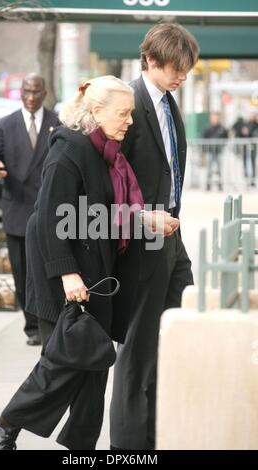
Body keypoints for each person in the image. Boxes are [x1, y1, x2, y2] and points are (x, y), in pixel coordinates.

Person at [0, 75, 178, 450]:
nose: (130, 121)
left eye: (131, 114)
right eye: (123, 114)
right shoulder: (69, 151)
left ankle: (81, 449)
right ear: (96, 111)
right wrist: (68, 274)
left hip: (96, 272)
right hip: (66, 274)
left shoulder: (106, 152)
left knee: (94, 367)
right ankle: (4, 424)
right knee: (65, 364)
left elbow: (99, 213)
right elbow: (51, 220)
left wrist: (146, 219)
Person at [109, 23, 199, 450]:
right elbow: (108, 184)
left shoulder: (168, 102)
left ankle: (156, 434)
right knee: (137, 350)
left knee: (179, 331)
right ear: (151, 60)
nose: (183, 76)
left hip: (171, 238)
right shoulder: (127, 103)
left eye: (187, 69)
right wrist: (144, 218)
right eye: (176, 68)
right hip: (142, 238)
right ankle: (129, 448)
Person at [0, 73, 60, 346]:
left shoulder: (57, 123)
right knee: (22, 272)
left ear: (44, 92)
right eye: (26, 91)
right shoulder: (6, 124)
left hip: (47, 211)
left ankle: (46, 322)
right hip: (17, 210)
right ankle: (31, 326)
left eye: (36, 92)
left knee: (46, 270)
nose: (30, 97)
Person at [202, 112, 228, 191]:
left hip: (218, 152)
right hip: (210, 152)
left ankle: (220, 185)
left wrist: (222, 146)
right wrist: (204, 152)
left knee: (219, 169)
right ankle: (208, 185)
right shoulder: (207, 129)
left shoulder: (222, 128)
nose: (215, 119)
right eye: (213, 118)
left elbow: (226, 138)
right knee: (209, 169)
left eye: (216, 118)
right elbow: (203, 140)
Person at [239, 110, 258, 187]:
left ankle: (252, 179)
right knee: (245, 162)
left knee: (253, 162)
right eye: (251, 115)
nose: (252, 116)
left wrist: (249, 133)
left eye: (253, 115)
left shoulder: (256, 125)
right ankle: (246, 178)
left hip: (253, 147)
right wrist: (243, 132)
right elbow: (240, 134)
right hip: (245, 147)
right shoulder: (245, 124)